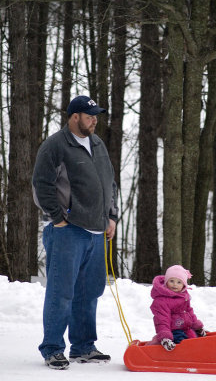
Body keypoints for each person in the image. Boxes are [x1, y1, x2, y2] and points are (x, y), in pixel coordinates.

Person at [32, 95, 118, 369]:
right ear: (74, 117)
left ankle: (83, 347)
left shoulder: (97, 143)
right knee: (61, 292)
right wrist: (58, 218)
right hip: (68, 231)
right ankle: (53, 348)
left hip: (96, 231)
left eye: (96, 116)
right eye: (89, 115)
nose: (94, 120)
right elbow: (41, 185)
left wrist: (111, 216)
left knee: (89, 292)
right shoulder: (56, 145)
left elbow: (109, 183)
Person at [149, 265, 206, 351]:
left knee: (195, 339)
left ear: (184, 285)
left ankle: (199, 353)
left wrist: (196, 325)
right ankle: (177, 354)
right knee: (182, 341)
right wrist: (165, 336)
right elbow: (162, 319)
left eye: (179, 282)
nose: (175, 284)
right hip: (173, 331)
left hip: (186, 328)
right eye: (171, 281)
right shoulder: (162, 300)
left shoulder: (184, 296)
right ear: (166, 281)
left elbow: (189, 312)